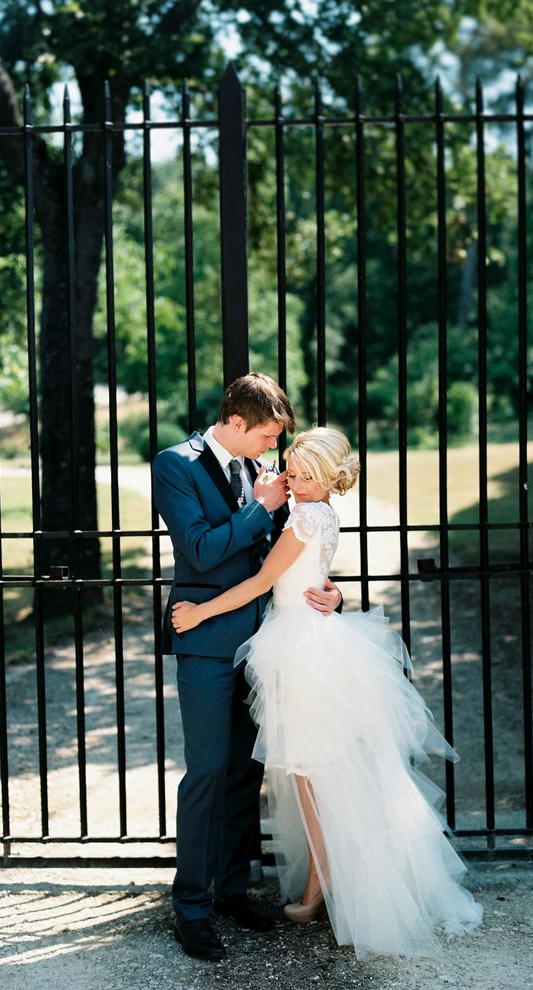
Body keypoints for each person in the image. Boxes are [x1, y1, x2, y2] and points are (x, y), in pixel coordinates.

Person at [171, 426, 484, 960]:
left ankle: (328, 884)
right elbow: (311, 574)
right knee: (323, 772)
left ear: (328, 478)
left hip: (300, 650)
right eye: (291, 469)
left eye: (304, 474)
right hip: (314, 640)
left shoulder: (302, 516)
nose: (292, 479)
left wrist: (199, 611)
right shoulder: (321, 513)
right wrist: (332, 592)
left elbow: (260, 583)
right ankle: (322, 881)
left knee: (315, 776)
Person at [153, 374, 342, 961]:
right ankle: (191, 908)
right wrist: (260, 510)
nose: (271, 448)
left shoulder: (252, 471)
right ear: (235, 421)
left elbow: (285, 560)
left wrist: (329, 595)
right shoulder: (175, 465)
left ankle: (233, 890)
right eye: (265, 435)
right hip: (206, 641)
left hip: (266, 643)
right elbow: (203, 548)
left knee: (242, 773)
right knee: (207, 770)